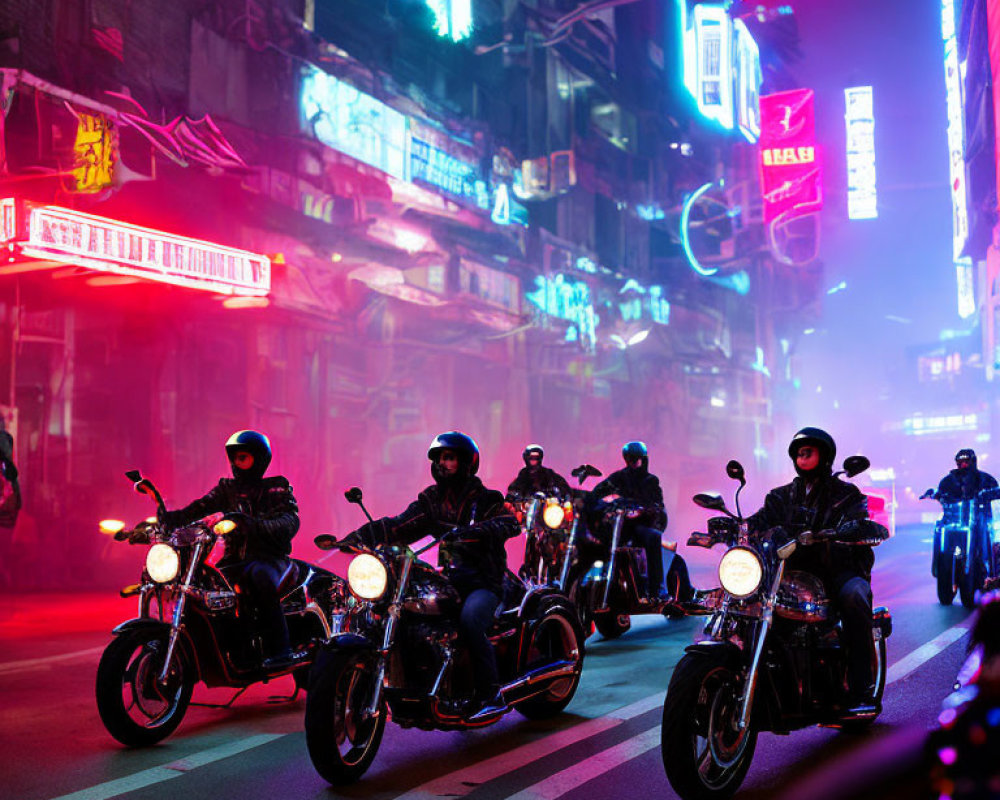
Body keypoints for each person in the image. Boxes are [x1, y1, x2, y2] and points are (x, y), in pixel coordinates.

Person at [330, 431, 519, 720]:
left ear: (467, 462)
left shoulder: (485, 499)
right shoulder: (432, 500)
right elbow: (400, 524)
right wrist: (357, 537)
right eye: (440, 458)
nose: (443, 463)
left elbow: (508, 523)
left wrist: (476, 531)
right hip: (450, 581)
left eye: (450, 458)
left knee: (470, 621)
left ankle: (490, 693)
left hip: (484, 583)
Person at [748, 427, 888, 714]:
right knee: (747, 598)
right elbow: (760, 520)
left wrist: (845, 531)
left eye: (809, 449)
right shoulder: (781, 496)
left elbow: (862, 521)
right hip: (788, 572)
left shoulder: (846, 495)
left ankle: (861, 688)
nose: (802, 454)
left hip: (836, 569)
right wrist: (729, 525)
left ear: (825, 455)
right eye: (799, 451)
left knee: (855, 596)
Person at [159, 430, 305, 671]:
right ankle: (228, 648)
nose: (238, 463)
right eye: (235, 457)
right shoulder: (227, 489)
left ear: (259, 459)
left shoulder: (276, 489)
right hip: (233, 561)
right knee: (208, 585)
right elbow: (199, 507)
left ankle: (281, 649)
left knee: (259, 577)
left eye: (244, 457)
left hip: (269, 559)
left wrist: (255, 526)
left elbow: (290, 521)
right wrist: (169, 518)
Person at [586, 441, 693, 605]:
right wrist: (592, 501)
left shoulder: (650, 481)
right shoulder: (618, 477)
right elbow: (598, 492)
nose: (633, 462)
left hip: (640, 526)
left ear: (643, 459)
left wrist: (645, 509)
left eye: (637, 458)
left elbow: (658, 505)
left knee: (653, 536)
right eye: (630, 458)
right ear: (625, 458)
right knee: (595, 539)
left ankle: (656, 589)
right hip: (619, 526)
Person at [506, 444, 571, 500]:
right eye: (531, 457)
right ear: (526, 458)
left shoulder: (549, 474)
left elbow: (564, 488)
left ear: (540, 458)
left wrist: (563, 496)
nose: (534, 460)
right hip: (528, 509)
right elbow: (512, 493)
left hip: (548, 508)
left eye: (536, 457)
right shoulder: (522, 477)